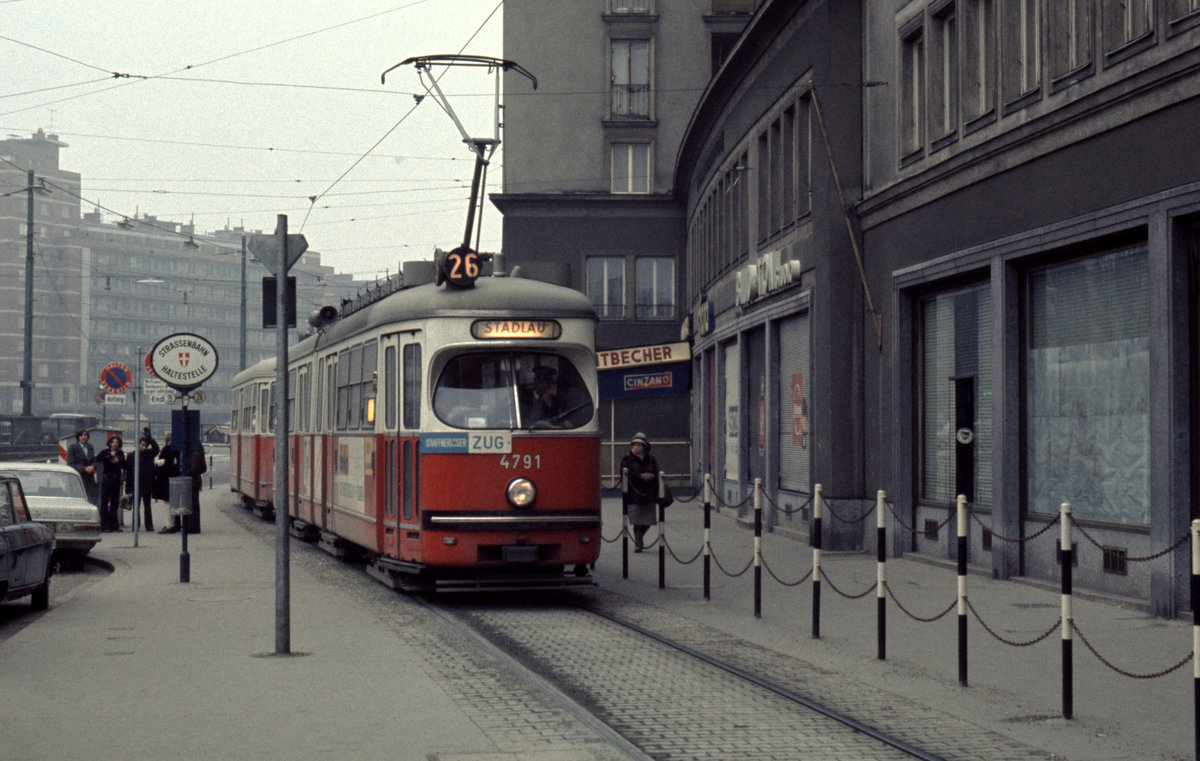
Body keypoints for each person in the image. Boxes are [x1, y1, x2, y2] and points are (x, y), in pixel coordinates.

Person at [620, 432, 660, 552]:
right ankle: (638, 542)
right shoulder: (627, 459)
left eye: (640, 445)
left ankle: (639, 538)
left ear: (645, 447)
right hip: (634, 493)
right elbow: (623, 474)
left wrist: (651, 477)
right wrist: (639, 476)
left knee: (648, 520)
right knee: (637, 519)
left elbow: (656, 472)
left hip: (648, 493)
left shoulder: (651, 459)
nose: (637, 447)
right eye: (635, 445)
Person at [125, 428, 159, 531]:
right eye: (142, 445)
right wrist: (128, 488)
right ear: (138, 444)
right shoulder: (132, 456)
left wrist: (150, 438)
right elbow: (129, 472)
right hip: (136, 484)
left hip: (147, 483)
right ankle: (136, 525)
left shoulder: (149, 454)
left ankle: (149, 525)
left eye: (145, 445)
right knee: (136, 506)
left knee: (147, 505)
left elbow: (156, 449)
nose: (143, 447)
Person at [96, 434, 127, 532]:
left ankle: (114, 525)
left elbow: (124, 465)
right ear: (110, 443)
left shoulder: (121, 453)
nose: (115, 444)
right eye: (113, 442)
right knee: (104, 502)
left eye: (117, 442)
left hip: (116, 479)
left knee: (115, 503)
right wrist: (110, 456)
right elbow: (98, 459)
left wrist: (118, 461)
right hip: (107, 478)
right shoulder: (105, 452)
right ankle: (104, 525)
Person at [156, 434, 182, 534]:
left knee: (168, 503)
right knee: (175, 502)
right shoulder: (179, 449)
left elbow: (160, 464)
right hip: (176, 478)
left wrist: (159, 464)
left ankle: (169, 525)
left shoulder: (166, 449)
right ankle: (176, 524)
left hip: (165, 480)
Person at [66, 429, 98, 505]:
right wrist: (84, 469)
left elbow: (94, 461)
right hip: (78, 476)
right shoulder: (73, 448)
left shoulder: (90, 447)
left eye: (85, 435)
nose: (84, 437)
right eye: (82, 435)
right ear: (78, 437)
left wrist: (93, 466)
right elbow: (70, 464)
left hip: (90, 478)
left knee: (92, 497)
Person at [184, 445, 206, 534]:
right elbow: (203, 468)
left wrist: (185, 473)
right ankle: (193, 526)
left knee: (192, 505)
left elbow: (194, 468)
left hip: (192, 482)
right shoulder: (198, 453)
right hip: (195, 482)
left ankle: (192, 527)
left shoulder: (194, 455)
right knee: (194, 504)